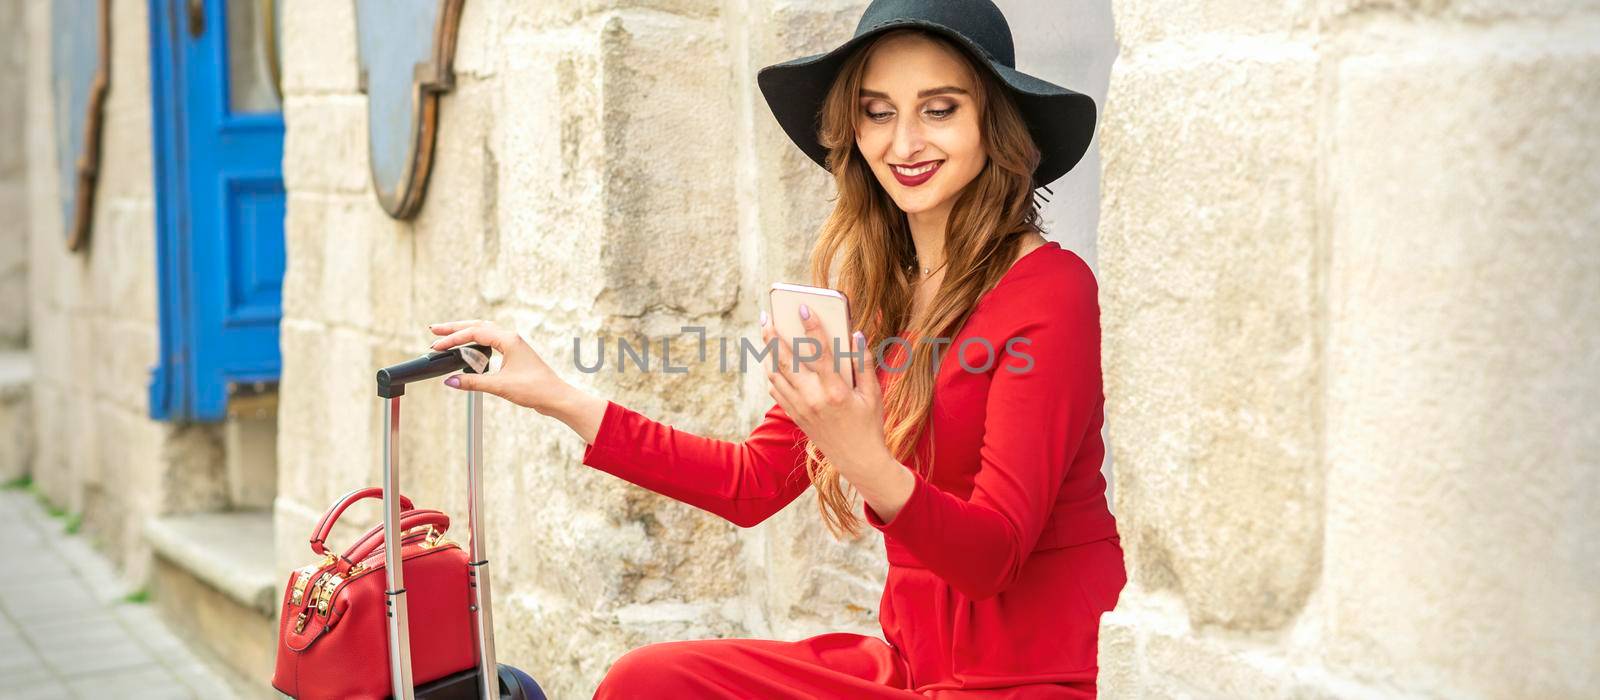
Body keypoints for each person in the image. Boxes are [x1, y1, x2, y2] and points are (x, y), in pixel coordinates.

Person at [428, 0, 1124, 696]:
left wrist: (859, 454)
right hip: (915, 667)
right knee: (650, 681)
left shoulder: (1052, 291)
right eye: (879, 112)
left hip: (1027, 677)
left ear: (992, 123)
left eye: (939, 109)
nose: (904, 143)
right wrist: (562, 398)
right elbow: (751, 482)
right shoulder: (878, 299)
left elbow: (992, 558)